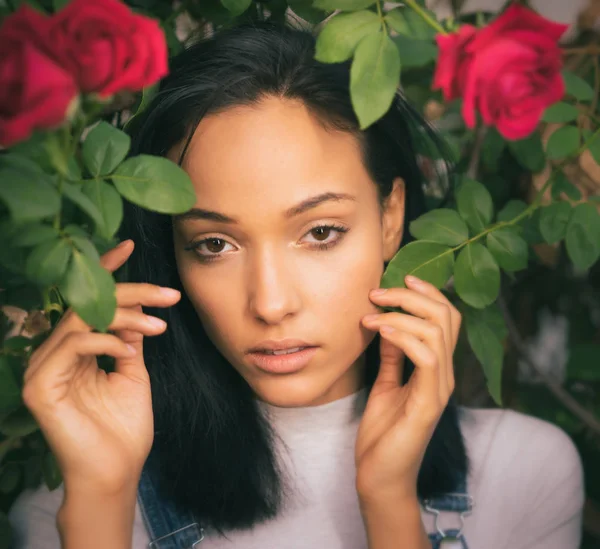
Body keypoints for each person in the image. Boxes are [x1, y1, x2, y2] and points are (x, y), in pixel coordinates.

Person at [8, 20, 584, 549]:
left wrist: (388, 501)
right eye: (215, 245)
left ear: (390, 217)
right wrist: (101, 503)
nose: (271, 304)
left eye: (321, 232)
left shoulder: (523, 470)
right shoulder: (77, 495)